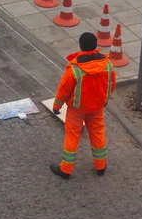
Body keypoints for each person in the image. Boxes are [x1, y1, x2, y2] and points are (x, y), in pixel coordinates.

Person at [50, 32, 116, 180]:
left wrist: (57, 106)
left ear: (80, 46)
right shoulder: (108, 64)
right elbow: (110, 85)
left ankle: (66, 170)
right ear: (95, 46)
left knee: (73, 136)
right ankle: (100, 166)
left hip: (77, 109)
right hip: (97, 107)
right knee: (97, 133)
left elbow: (64, 90)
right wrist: (104, 100)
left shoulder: (75, 68)